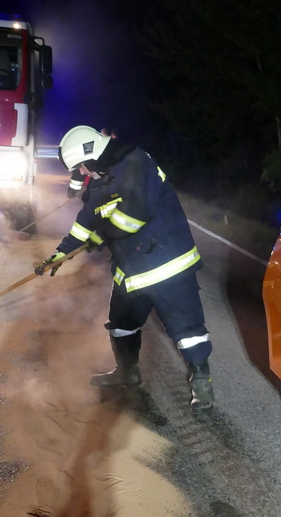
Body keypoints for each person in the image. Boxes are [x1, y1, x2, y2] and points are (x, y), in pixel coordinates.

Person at [35, 125, 213, 410]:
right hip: (131, 270)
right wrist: (60, 254)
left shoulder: (136, 163)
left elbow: (134, 215)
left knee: (186, 329)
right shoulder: (100, 181)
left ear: (93, 154)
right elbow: (85, 223)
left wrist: (101, 236)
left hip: (167, 264)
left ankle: (202, 384)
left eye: (82, 165)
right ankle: (127, 372)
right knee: (121, 325)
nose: (82, 172)